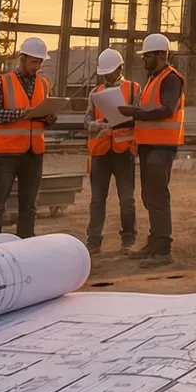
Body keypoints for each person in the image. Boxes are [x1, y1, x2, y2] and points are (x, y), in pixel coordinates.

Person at [115, 32, 183, 263]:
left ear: (161, 55)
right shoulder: (153, 79)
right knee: (148, 196)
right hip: (147, 146)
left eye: (148, 56)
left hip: (162, 146)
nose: (144, 60)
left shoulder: (171, 78)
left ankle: (163, 249)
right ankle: (155, 242)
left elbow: (167, 109)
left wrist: (136, 112)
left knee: (158, 195)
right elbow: (146, 114)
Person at [0, 36, 59, 239]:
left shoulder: (43, 84)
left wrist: (50, 118)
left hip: (33, 153)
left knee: (29, 205)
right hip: (6, 153)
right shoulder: (3, 82)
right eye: (34, 62)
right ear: (22, 59)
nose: (37, 66)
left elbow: (41, 116)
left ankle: (26, 243)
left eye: (40, 62)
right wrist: (22, 112)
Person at [85, 48, 139, 254]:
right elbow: (86, 120)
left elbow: (140, 116)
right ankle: (93, 241)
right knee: (97, 199)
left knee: (127, 199)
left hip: (124, 151)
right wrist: (97, 125)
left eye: (111, 72)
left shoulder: (134, 89)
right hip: (101, 151)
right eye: (105, 72)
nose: (108, 76)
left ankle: (128, 240)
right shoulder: (95, 92)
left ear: (120, 69)